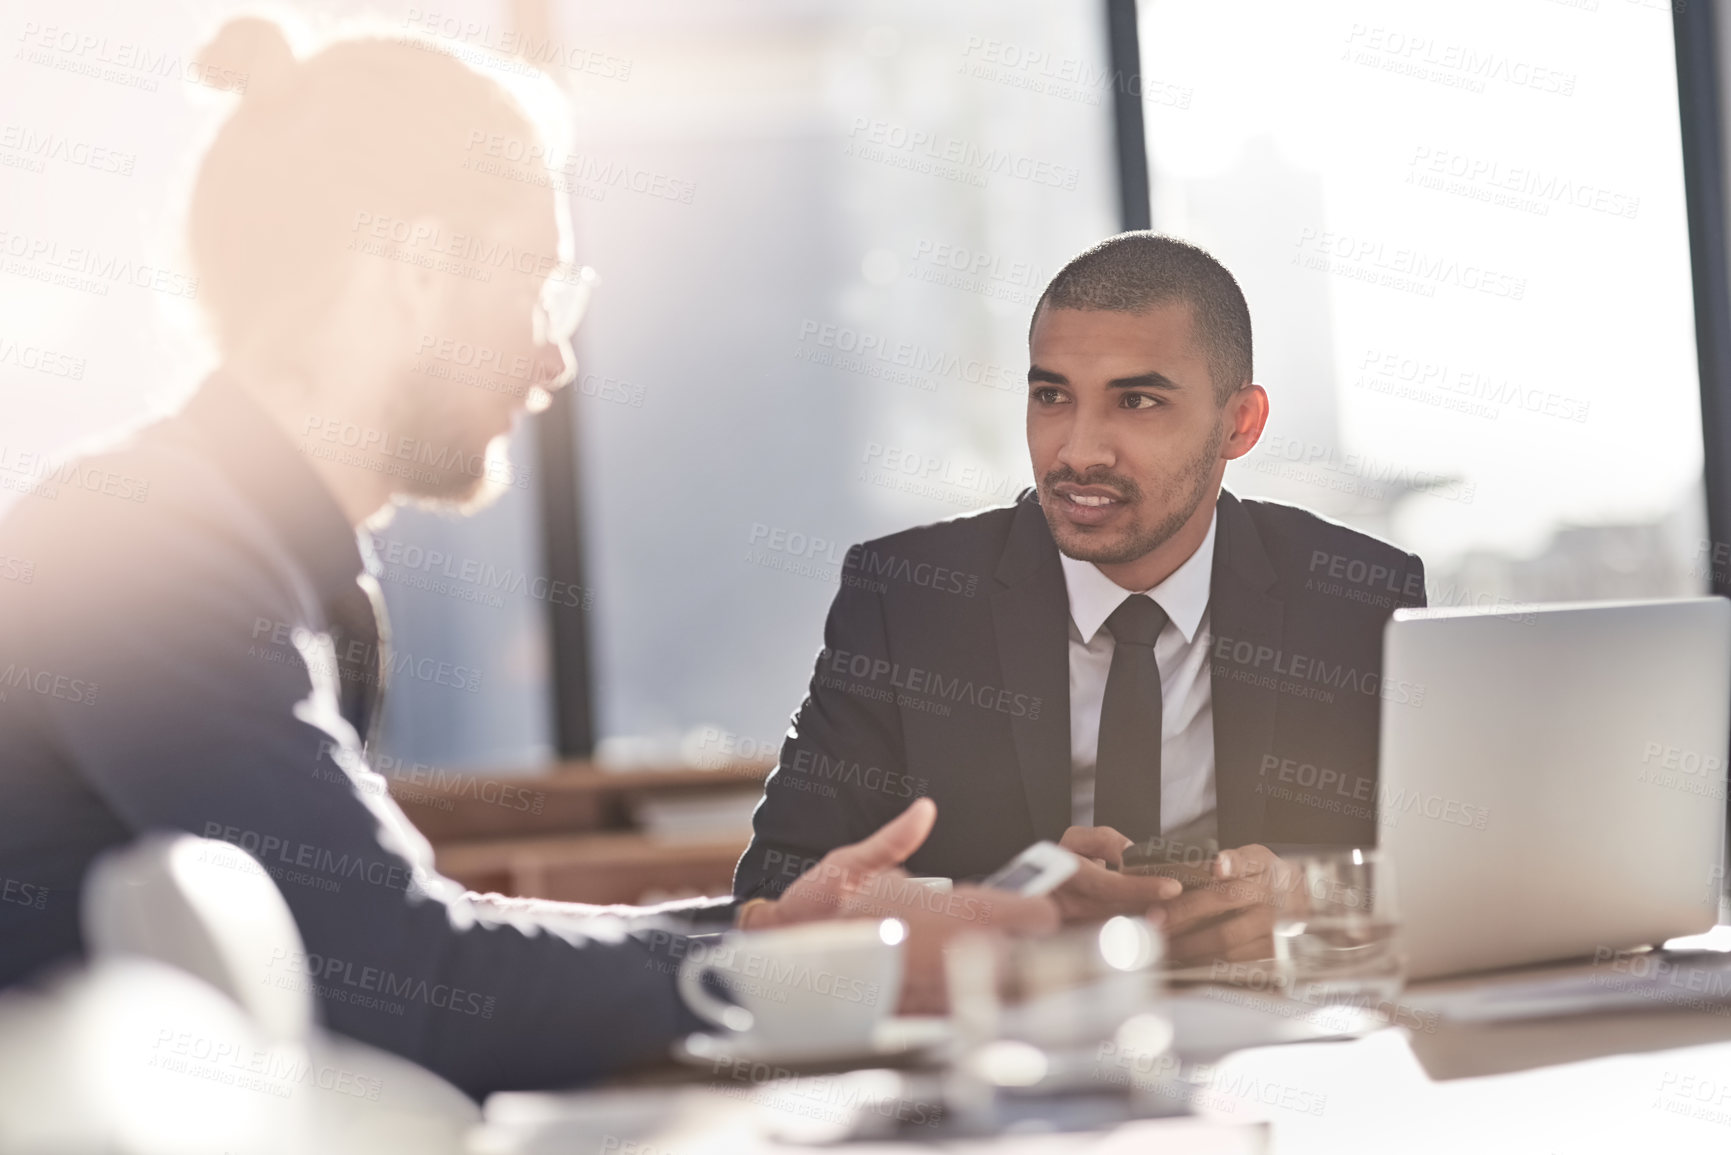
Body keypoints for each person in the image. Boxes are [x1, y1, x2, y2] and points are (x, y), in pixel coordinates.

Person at [0, 17, 1054, 1100]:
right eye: (536, 284)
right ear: (414, 268)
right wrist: (802, 972)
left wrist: (764, 930)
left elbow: (399, 939)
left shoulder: (260, 560)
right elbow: (403, 984)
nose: (554, 356)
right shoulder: (143, 559)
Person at [736, 233, 1427, 964]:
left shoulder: (1357, 599)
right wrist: (996, 903)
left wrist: (1312, 898)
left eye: (1136, 400)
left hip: (1275, 1037)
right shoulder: (906, 598)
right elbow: (774, 889)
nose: (1077, 451)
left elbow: (1457, 866)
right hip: (1009, 1040)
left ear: (1239, 424)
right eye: (1051, 396)